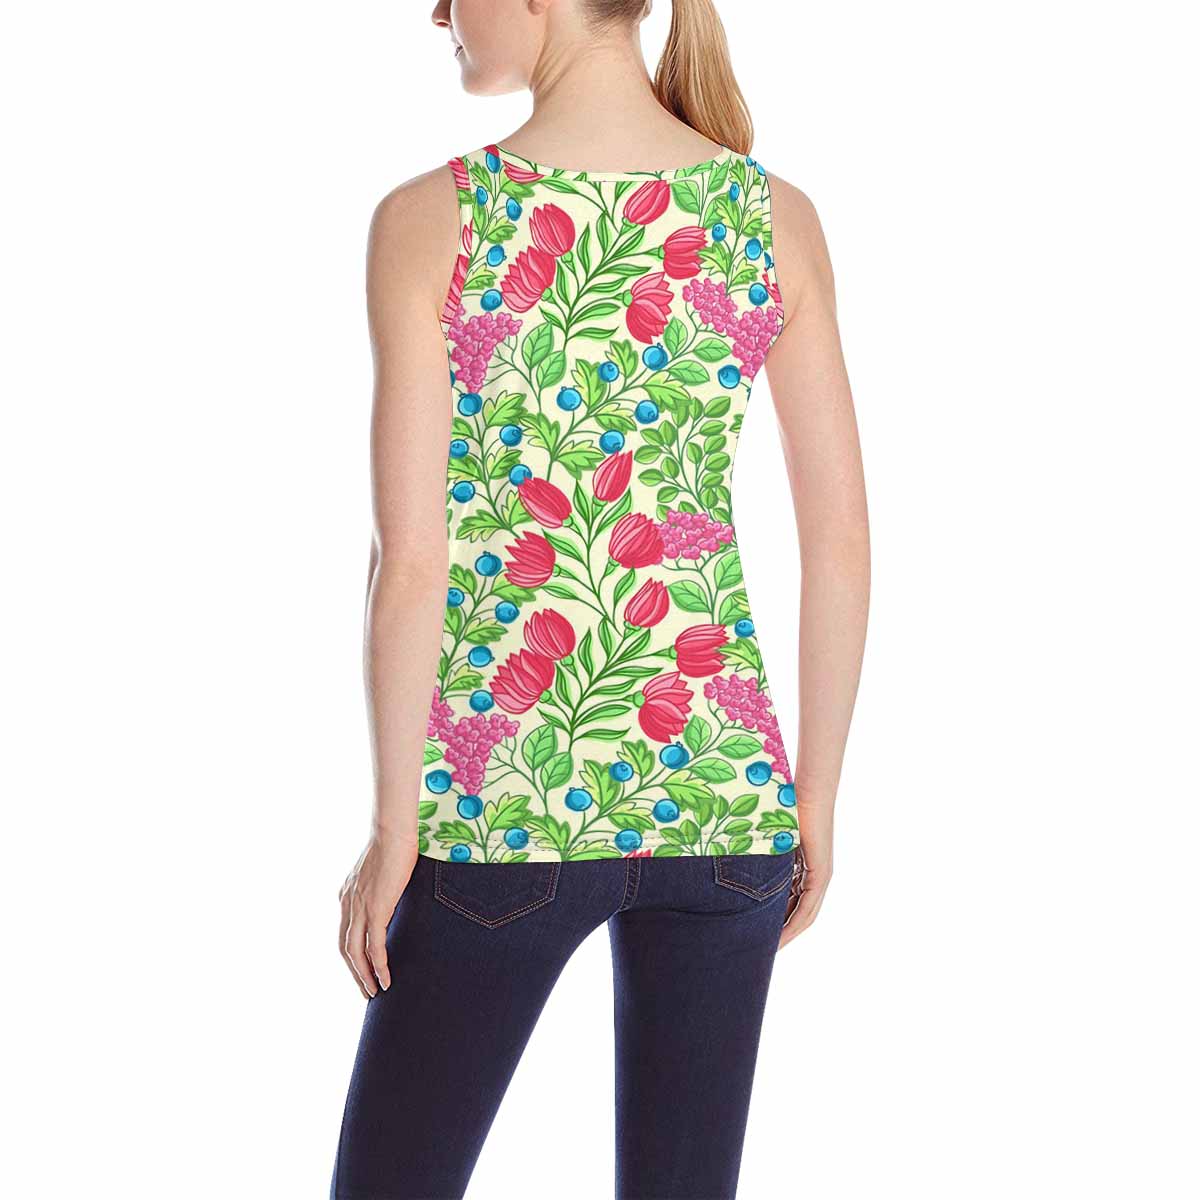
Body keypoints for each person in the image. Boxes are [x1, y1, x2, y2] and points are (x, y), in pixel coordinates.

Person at [331, 1, 869, 1196]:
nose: (438, 11)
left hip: (501, 808)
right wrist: (815, 801)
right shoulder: (771, 217)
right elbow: (839, 542)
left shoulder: (435, 220)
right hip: (725, 805)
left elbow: (411, 560)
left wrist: (393, 830)